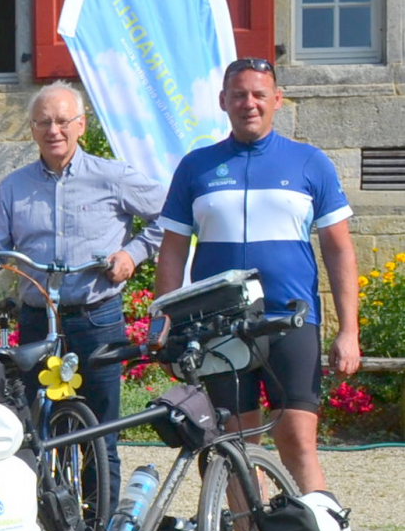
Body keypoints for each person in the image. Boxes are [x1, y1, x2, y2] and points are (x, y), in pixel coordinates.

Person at [0, 82, 168, 503]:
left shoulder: (113, 176)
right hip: (39, 319)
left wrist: (134, 252)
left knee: (101, 432)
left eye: (62, 121)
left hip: (97, 316)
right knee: (35, 430)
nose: (54, 130)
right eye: (44, 122)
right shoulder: (14, 187)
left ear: (80, 126)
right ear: (33, 130)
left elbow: (171, 213)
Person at [154, 57, 360, 493]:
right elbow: (171, 251)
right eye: (240, 95)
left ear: (277, 100)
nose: (250, 103)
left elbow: (339, 248)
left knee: (298, 442)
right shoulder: (196, 166)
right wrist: (164, 320)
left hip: (290, 319)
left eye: (259, 94)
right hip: (218, 326)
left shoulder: (310, 162)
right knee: (232, 445)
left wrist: (349, 330)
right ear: (223, 102)